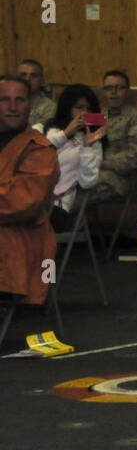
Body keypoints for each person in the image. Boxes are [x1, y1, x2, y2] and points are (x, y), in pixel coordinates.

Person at [0, 75, 58, 308]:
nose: (13, 108)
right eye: (4, 100)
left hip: (23, 236)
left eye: (20, 100)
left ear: (29, 104)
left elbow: (21, 203)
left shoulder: (39, 149)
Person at [42, 84, 105, 232]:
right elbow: (38, 155)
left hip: (60, 205)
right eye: (79, 107)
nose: (84, 113)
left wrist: (87, 147)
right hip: (34, 197)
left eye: (89, 109)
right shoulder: (49, 130)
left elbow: (87, 183)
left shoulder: (94, 141)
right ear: (68, 107)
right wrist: (65, 134)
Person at [86, 70, 137, 206]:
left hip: (118, 177)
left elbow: (134, 157)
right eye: (109, 88)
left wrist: (99, 162)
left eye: (119, 88)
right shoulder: (96, 116)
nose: (113, 92)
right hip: (90, 169)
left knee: (75, 194)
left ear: (127, 91)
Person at [17, 59, 55, 130]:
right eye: (23, 75)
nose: (27, 79)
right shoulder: (6, 103)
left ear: (41, 80)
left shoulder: (49, 107)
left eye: (33, 76)